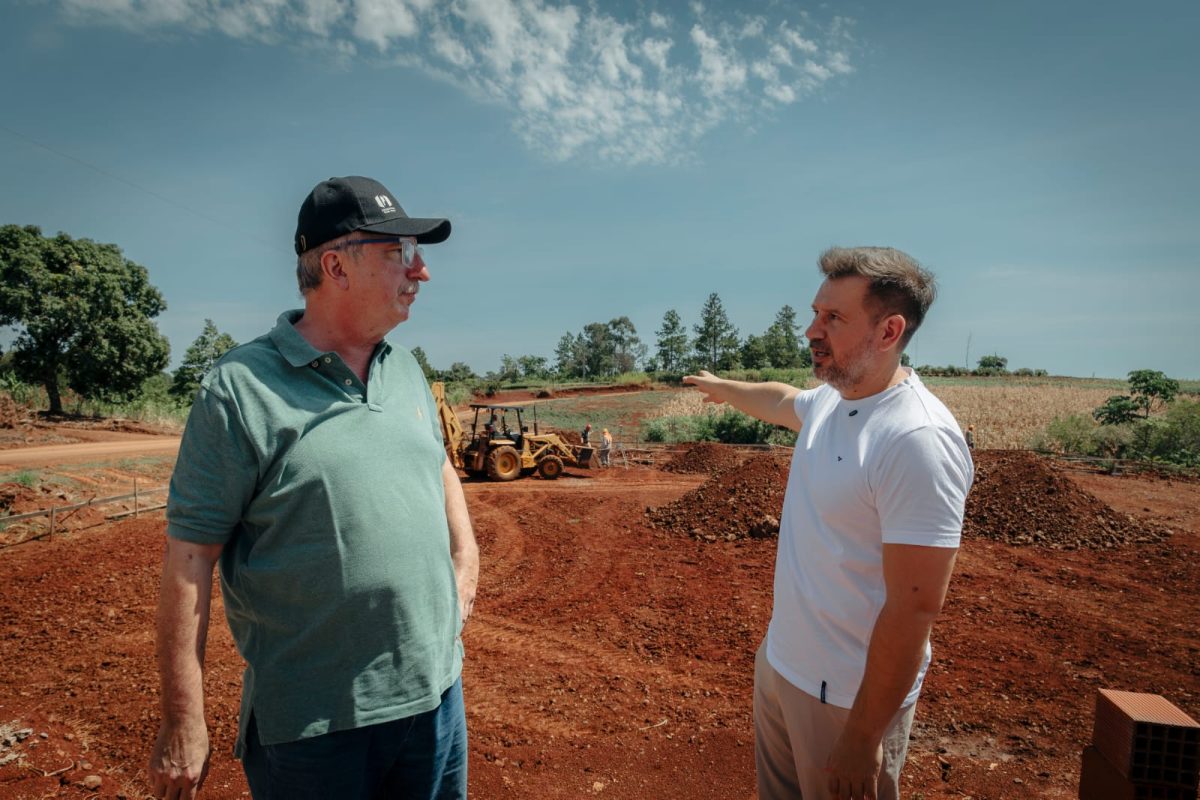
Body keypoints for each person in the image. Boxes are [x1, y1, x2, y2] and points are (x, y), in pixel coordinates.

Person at [148, 176, 479, 800]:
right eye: (400, 253)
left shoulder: (406, 368)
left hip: (436, 699)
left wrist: (466, 558)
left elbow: (439, 467)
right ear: (335, 265)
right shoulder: (240, 388)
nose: (423, 271)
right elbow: (190, 559)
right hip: (315, 728)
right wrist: (183, 721)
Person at [684, 246, 973, 800]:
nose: (812, 330)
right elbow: (781, 400)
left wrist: (864, 735)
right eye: (816, 313)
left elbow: (914, 608)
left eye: (833, 318)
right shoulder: (833, 401)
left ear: (888, 332)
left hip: (846, 698)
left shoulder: (915, 440)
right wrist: (720, 386)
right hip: (782, 665)